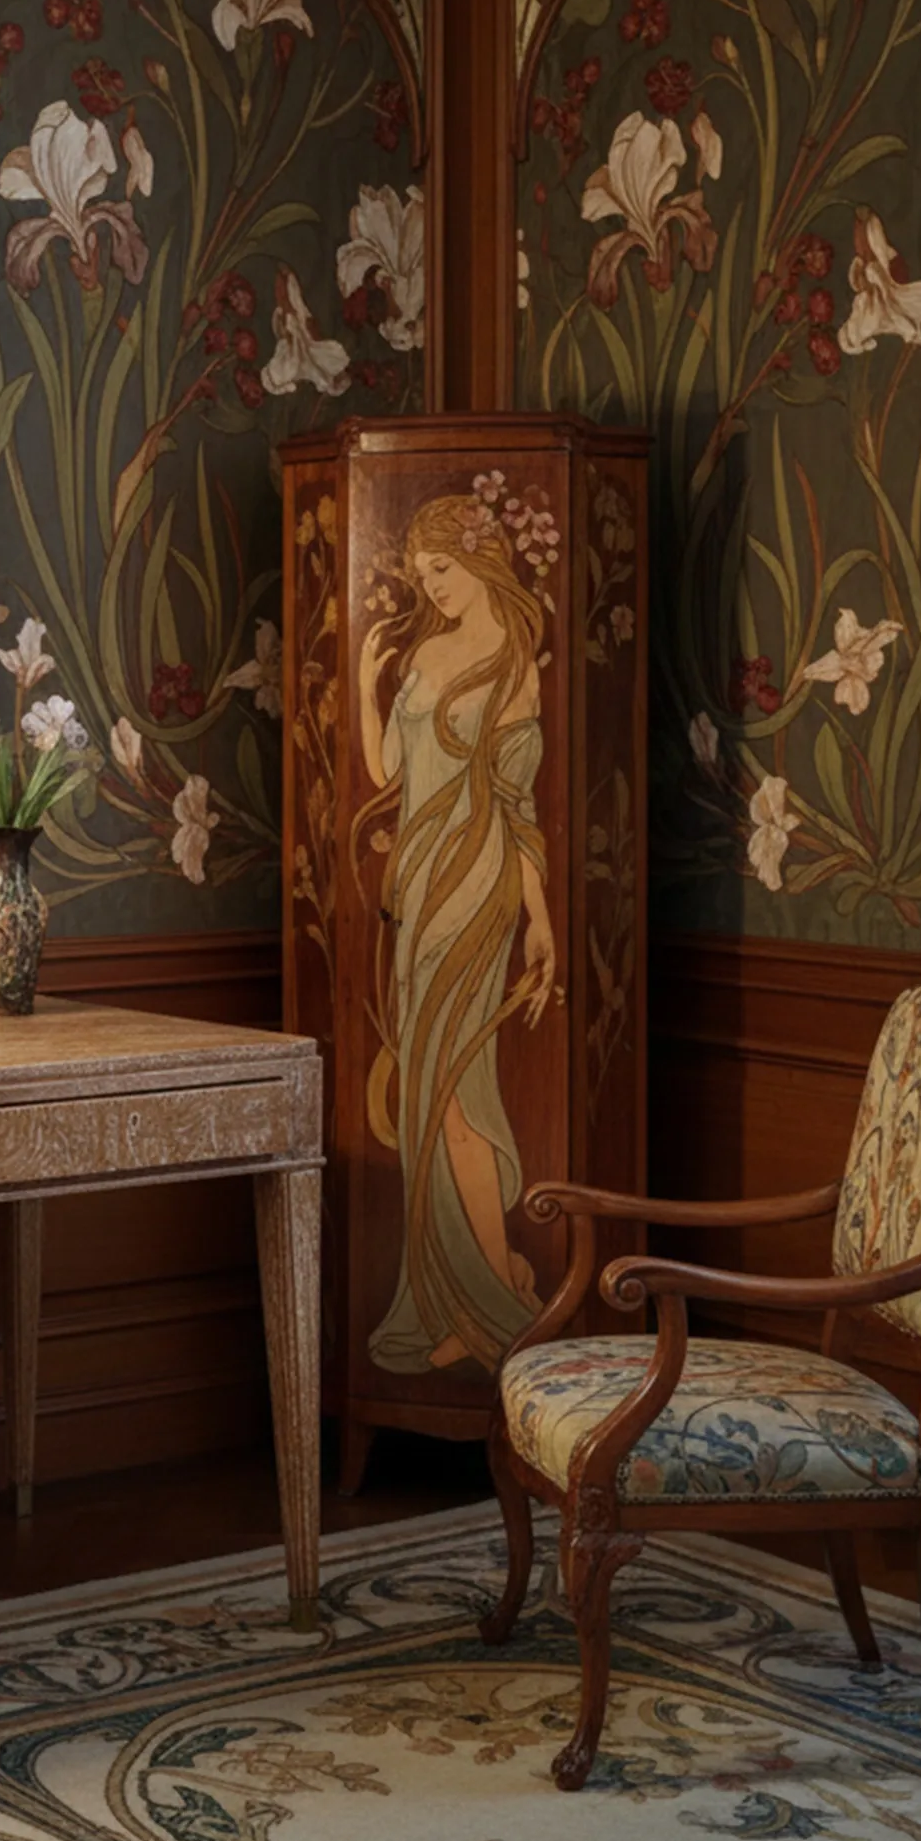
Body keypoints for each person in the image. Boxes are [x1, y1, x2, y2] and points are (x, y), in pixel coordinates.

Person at [356, 488, 557, 1375]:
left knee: (455, 1097)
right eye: (421, 574)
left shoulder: (516, 659)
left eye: (441, 569)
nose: (431, 587)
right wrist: (368, 685)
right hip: (417, 885)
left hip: (476, 889)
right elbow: (387, 769)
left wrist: (540, 920)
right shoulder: (423, 652)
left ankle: (495, 1311)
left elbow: (516, 808)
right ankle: (469, 1295)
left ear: (477, 561)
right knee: (421, 1101)